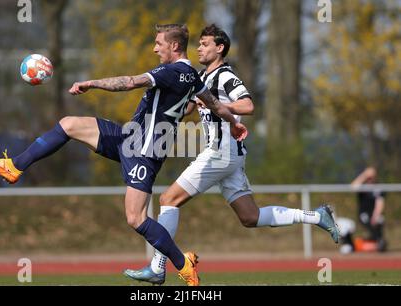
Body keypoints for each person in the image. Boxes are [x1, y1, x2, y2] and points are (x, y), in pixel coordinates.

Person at [0, 23, 248, 286]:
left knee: (136, 218)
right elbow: (215, 105)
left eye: (159, 44)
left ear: (174, 46)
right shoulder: (193, 76)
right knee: (69, 124)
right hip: (130, 138)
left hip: (144, 151)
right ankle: (15, 166)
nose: (155, 49)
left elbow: (129, 82)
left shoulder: (173, 71)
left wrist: (90, 83)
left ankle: (182, 263)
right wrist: (234, 124)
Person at [124, 24, 340, 285]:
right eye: (199, 44)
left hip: (221, 152)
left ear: (220, 48)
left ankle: (158, 267)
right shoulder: (201, 76)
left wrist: (218, 105)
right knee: (251, 217)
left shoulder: (225, 75)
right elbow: (191, 108)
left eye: (205, 44)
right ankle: (318, 216)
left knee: (169, 199)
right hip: (229, 156)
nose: (200, 48)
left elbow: (248, 105)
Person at [339, 167, 387, 252]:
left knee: (379, 223)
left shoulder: (378, 187)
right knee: (368, 223)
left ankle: (378, 242)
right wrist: (364, 175)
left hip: (374, 213)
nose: (369, 179)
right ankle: (375, 243)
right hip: (364, 213)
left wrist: (376, 215)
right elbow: (352, 187)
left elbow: (380, 202)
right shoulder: (362, 186)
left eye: (371, 177)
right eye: (368, 177)